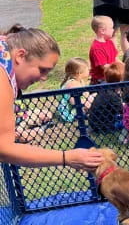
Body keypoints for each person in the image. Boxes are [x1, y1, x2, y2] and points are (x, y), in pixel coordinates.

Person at [0, 25, 102, 170]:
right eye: (42, 70)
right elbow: (4, 149)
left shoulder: (6, 44)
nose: (43, 78)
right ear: (20, 56)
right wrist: (67, 157)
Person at [87, 62, 124, 133]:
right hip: (104, 126)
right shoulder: (112, 95)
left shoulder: (105, 88)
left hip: (94, 123)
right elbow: (122, 110)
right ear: (120, 81)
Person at [58, 57, 92, 122]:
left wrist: (88, 100)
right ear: (79, 72)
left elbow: (86, 94)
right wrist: (86, 103)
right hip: (69, 112)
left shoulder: (80, 81)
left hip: (78, 107)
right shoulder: (72, 84)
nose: (89, 70)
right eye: (87, 69)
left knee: (93, 97)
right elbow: (73, 102)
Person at [89, 16, 119, 85]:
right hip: (101, 80)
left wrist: (124, 66)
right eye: (111, 28)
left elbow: (115, 58)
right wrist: (119, 70)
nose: (113, 30)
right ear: (102, 31)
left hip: (112, 75)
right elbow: (104, 67)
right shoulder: (97, 48)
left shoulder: (109, 42)